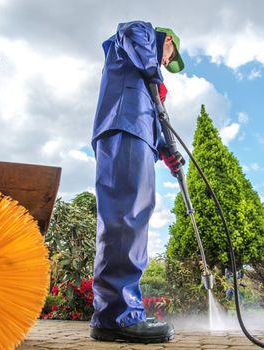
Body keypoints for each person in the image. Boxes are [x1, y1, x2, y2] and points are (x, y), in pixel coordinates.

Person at [90, 20, 185, 343]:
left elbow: (157, 122)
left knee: (135, 218)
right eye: (169, 56)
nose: (165, 63)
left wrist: (168, 153)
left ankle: (117, 312)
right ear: (167, 40)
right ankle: (117, 315)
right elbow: (129, 32)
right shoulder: (140, 34)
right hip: (124, 128)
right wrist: (152, 70)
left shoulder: (150, 82)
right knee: (125, 217)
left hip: (140, 136)